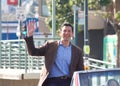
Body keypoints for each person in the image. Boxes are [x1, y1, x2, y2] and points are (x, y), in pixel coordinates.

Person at [24, 21, 84, 86]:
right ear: (60, 33)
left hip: (68, 82)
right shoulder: (50, 46)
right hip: (52, 82)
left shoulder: (77, 51)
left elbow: (80, 71)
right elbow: (33, 52)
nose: (67, 33)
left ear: (72, 34)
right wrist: (30, 36)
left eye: (69, 31)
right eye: (64, 31)